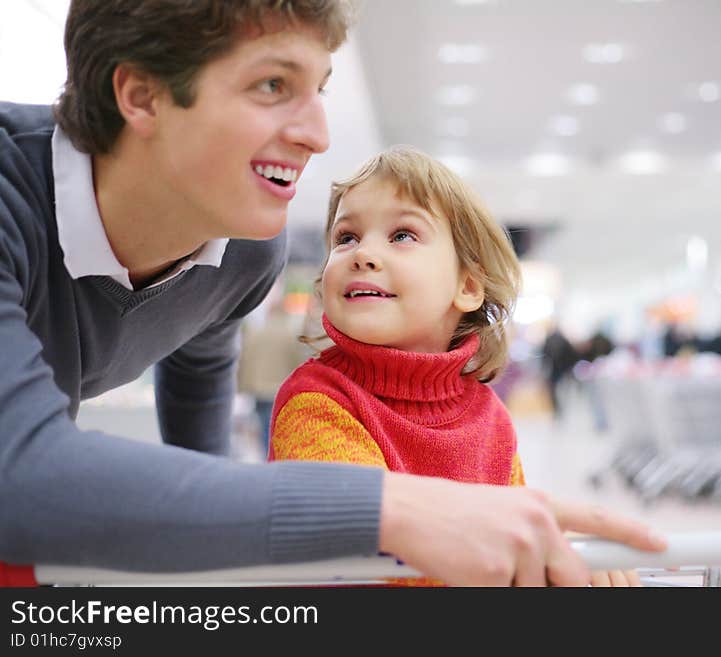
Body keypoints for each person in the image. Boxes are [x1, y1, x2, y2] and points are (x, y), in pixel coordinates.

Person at [0, 0, 665, 586]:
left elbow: (198, 411)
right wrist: (394, 510)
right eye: (272, 84)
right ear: (141, 96)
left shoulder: (241, 252)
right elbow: (18, 467)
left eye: (319, 88)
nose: (318, 135)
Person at [268, 147, 641, 586]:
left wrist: (555, 547)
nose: (362, 254)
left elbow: (510, 529)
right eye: (345, 237)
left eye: (402, 235)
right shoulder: (317, 403)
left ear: (466, 286)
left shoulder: (489, 414)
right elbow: (366, 548)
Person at [237, 278, 310, 456]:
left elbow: (246, 359)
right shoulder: (291, 332)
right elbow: (297, 360)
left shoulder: (256, 331)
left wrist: (242, 386)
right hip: (281, 388)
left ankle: (266, 460)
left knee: (264, 429)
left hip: (260, 389)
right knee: (279, 429)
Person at [540, 323, 579, 419]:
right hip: (563, 369)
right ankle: (561, 408)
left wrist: (543, 368)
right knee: (563, 390)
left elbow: (544, 355)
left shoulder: (548, 339)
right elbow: (572, 355)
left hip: (553, 369)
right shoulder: (565, 340)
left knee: (553, 390)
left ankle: (557, 408)